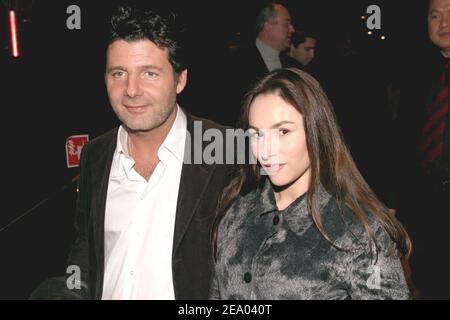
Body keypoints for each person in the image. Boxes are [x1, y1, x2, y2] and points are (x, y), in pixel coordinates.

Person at [31, 5, 233, 300]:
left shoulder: (224, 151)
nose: (131, 90)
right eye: (119, 73)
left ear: (180, 80)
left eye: (149, 73)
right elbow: (86, 252)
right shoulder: (95, 156)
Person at [209, 68, 412, 300]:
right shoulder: (236, 208)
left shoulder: (359, 231)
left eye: (283, 131)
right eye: (257, 134)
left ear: (316, 131)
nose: (265, 151)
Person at [396, 0, 450, 299]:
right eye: (435, 15)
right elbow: (403, 142)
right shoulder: (420, 76)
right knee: (432, 281)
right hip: (426, 205)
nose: (443, 22)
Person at [223, 2, 295, 126]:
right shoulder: (236, 63)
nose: (292, 29)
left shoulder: (293, 66)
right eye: (286, 23)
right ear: (267, 26)